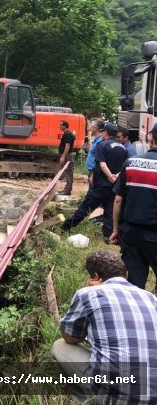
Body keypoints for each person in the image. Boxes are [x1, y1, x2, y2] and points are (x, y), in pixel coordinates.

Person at [52, 250, 157, 404]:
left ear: (94, 277)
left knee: (59, 346)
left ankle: (84, 399)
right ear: (126, 274)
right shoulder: (151, 298)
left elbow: (69, 337)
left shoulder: (88, 294)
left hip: (119, 396)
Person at [109, 122, 157, 290]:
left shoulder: (131, 162)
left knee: (133, 285)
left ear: (151, 138)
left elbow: (118, 200)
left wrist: (116, 229)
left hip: (131, 233)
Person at [62, 123, 127, 238]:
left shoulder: (102, 145)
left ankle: (65, 227)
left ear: (105, 132)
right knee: (109, 211)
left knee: (85, 208)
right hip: (115, 186)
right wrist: (115, 177)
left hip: (101, 185)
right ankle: (108, 236)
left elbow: (102, 165)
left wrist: (110, 177)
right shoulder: (123, 148)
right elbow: (124, 167)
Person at [57, 120, 76, 195]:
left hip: (67, 155)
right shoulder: (68, 133)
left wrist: (63, 157)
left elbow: (67, 146)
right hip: (67, 155)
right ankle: (66, 189)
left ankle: (67, 190)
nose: (59, 126)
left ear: (64, 126)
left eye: (60, 125)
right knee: (67, 172)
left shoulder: (68, 134)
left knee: (68, 172)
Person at [85, 120, 105, 188]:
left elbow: (99, 159)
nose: (90, 128)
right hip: (92, 169)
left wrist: (93, 174)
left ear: (95, 128)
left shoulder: (100, 141)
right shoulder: (96, 140)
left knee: (93, 188)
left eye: (91, 127)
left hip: (94, 170)